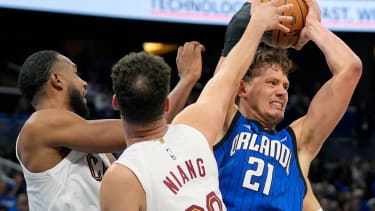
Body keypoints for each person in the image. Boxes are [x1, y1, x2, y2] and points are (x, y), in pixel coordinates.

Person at [99, 0, 294, 209]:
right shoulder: (195, 129)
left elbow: (231, 72)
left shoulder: (122, 176)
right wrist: (255, 20)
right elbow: (230, 73)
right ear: (167, 104)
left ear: (116, 103)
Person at [213, 0, 363, 210]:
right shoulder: (223, 121)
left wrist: (313, 27)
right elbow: (238, 28)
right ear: (242, 88)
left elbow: (351, 69)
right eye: (272, 83)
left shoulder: (297, 143)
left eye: (285, 85)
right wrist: (255, 10)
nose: (282, 92)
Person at [15, 47, 203, 211]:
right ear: (56, 79)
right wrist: (187, 79)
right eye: (75, 73)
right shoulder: (39, 125)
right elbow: (146, 126)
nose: (84, 83)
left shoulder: (97, 150)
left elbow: (146, 133)